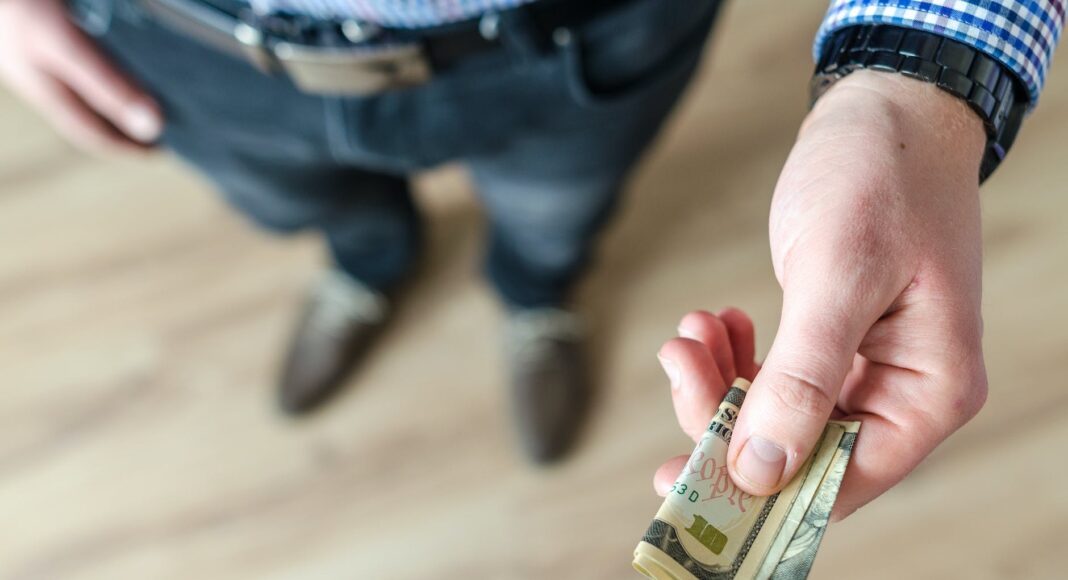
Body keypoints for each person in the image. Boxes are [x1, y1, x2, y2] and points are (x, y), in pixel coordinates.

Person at [0, 0, 1060, 518]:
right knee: (299, 207)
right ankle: (369, 267)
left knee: (557, 217)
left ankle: (535, 295)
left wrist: (919, 83)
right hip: (180, 43)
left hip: (580, 33)